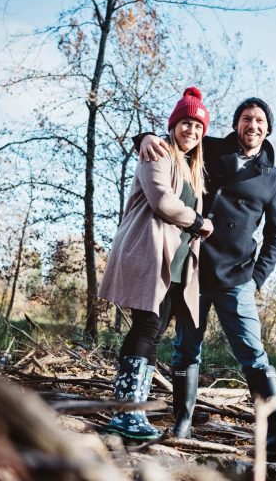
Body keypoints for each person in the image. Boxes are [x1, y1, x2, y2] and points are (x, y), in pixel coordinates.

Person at [137, 96, 276, 450]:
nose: (252, 125)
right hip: (194, 267)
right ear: (236, 124)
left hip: (237, 276)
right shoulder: (210, 149)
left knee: (253, 352)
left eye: (259, 121)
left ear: (268, 130)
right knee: (186, 349)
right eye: (246, 118)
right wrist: (145, 138)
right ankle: (182, 423)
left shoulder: (273, 178)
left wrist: (257, 277)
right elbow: (176, 142)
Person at [98, 87, 214, 441]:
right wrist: (199, 221)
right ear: (173, 125)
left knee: (154, 330)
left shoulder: (193, 167)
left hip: (173, 264)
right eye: (185, 123)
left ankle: (132, 412)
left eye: (198, 126)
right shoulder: (158, 152)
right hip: (149, 253)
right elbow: (161, 200)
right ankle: (126, 413)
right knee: (146, 327)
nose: (191, 130)